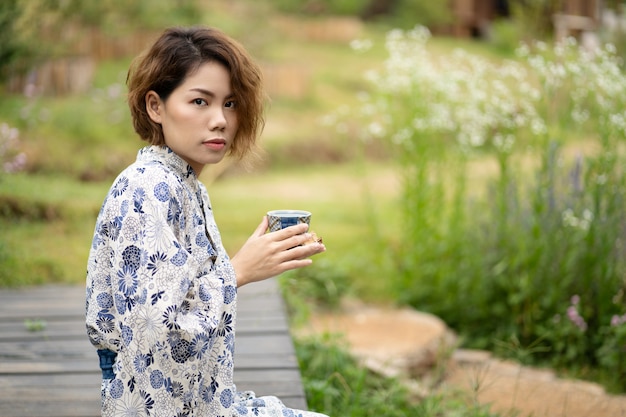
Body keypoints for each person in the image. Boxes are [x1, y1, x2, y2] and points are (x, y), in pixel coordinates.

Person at [85, 26, 327, 417]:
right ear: (155, 107)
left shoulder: (184, 183)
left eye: (231, 104)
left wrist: (253, 263)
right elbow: (157, 332)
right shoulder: (150, 189)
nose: (220, 120)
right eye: (200, 101)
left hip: (203, 401)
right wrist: (239, 271)